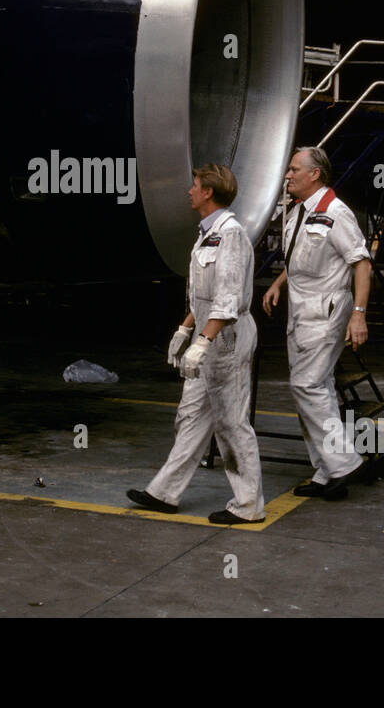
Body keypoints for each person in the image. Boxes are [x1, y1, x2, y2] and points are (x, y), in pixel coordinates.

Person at [127, 164, 266, 525]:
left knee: (231, 423)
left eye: (194, 186)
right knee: (190, 416)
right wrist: (184, 330)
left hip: (227, 340)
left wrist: (202, 342)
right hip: (209, 336)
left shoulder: (230, 235)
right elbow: (202, 298)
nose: (189, 191)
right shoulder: (208, 234)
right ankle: (164, 492)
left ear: (208, 193)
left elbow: (228, 298)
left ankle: (249, 505)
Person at [262, 146, 372, 499]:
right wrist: (279, 284)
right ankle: (325, 472)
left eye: (295, 170)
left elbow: (362, 263)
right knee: (316, 389)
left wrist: (359, 315)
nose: (288, 175)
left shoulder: (336, 213)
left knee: (306, 386)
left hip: (325, 315)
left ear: (316, 175)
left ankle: (344, 463)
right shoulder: (299, 212)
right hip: (300, 314)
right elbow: (296, 258)